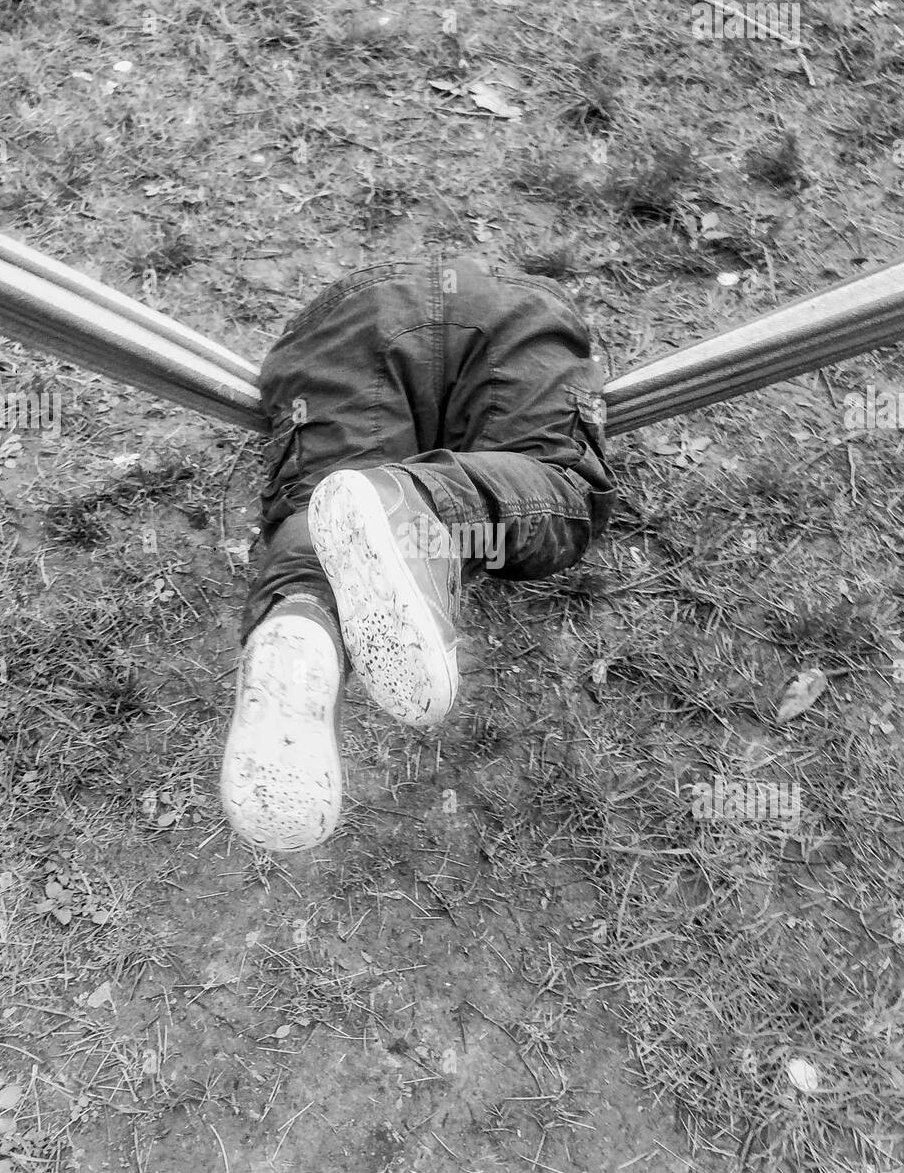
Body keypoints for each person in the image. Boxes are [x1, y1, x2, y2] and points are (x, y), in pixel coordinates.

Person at [221, 251, 616, 851]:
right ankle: (418, 508)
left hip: (350, 321)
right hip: (513, 321)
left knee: (323, 500)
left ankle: (300, 621)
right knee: (555, 485)